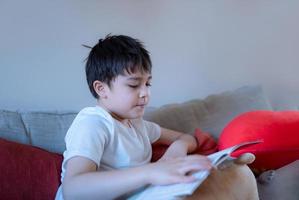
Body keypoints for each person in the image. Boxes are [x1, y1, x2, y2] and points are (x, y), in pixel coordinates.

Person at [55, 35, 259, 200]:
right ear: (102, 89)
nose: (145, 93)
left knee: (238, 174)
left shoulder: (138, 125)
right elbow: (75, 189)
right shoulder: (93, 123)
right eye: (134, 85)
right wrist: (150, 172)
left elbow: (187, 139)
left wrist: (175, 151)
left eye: (148, 84)